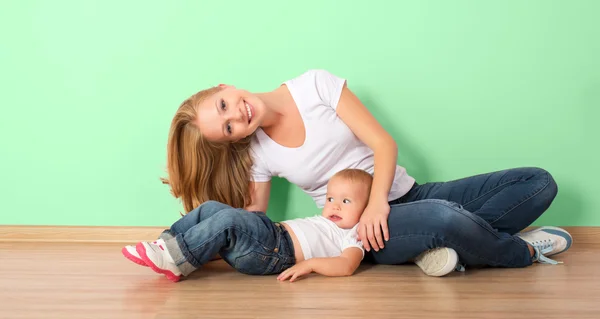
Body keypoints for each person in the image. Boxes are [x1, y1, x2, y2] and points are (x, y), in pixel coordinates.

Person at [125, 69, 572, 277]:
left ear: (224, 84)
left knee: (538, 183)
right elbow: (256, 215)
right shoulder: (258, 152)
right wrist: (221, 233)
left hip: (403, 196)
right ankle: (522, 253)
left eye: (225, 105)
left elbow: (384, 145)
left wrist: (380, 201)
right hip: (362, 229)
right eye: (227, 128)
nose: (236, 116)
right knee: (445, 219)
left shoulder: (315, 85)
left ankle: (437, 250)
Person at [126, 168, 372, 282]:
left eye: (346, 201)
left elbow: (346, 265)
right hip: (271, 235)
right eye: (331, 199)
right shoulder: (327, 220)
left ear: (366, 208)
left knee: (229, 221)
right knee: (212, 207)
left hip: (273, 253)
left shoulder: (354, 234)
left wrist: (311, 265)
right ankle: (167, 243)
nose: (335, 206)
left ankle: (177, 260)